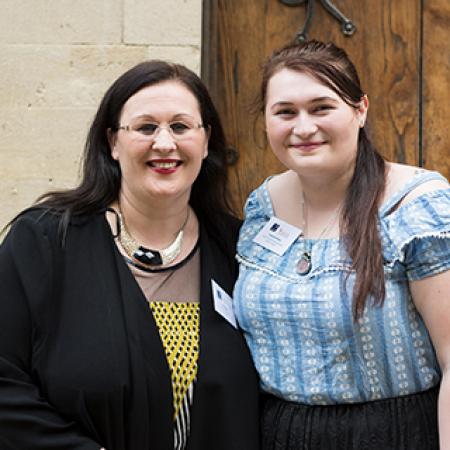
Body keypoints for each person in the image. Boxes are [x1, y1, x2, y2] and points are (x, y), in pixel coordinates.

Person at [0, 61, 260, 450]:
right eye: (145, 127)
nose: (165, 142)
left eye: (181, 126)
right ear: (112, 142)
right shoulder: (45, 241)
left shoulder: (239, 249)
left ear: (206, 141)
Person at [233, 40, 450, 449]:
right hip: (279, 434)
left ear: (360, 109)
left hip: (394, 434)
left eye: (321, 107)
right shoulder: (263, 206)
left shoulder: (416, 205)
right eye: (284, 112)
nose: (303, 127)